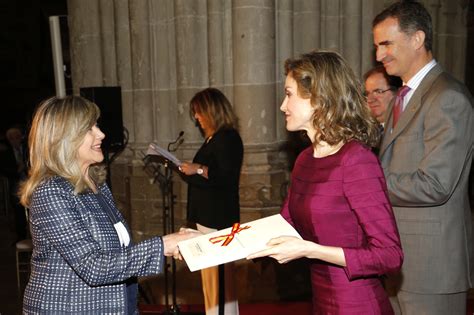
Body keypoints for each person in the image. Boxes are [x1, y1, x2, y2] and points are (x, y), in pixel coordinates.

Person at [247, 50, 403, 314]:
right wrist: (212, 239)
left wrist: (312, 250)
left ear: (319, 98)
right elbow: (281, 226)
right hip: (321, 301)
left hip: (358, 305)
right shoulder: (305, 159)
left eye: (289, 94)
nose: (283, 106)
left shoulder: (356, 161)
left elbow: (390, 255)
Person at [19, 96, 199, 314]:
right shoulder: (51, 192)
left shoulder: (97, 186)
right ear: (63, 139)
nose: (101, 134)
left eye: (96, 125)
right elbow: (93, 267)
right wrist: (163, 245)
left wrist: (174, 245)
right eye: (89, 128)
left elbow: (116, 252)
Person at [372, 1, 473, 314]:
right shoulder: (405, 95)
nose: (378, 55)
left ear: (417, 39)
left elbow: (436, 184)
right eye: (376, 46)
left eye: (386, 44)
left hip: (432, 266)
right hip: (400, 260)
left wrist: (369, 183)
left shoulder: (448, 98)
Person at [179, 87, 243, 315]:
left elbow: (224, 177)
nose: (196, 117)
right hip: (207, 216)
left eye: (198, 111)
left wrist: (196, 169)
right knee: (213, 281)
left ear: (211, 110)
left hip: (218, 217)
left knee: (219, 282)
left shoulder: (228, 138)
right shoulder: (213, 139)